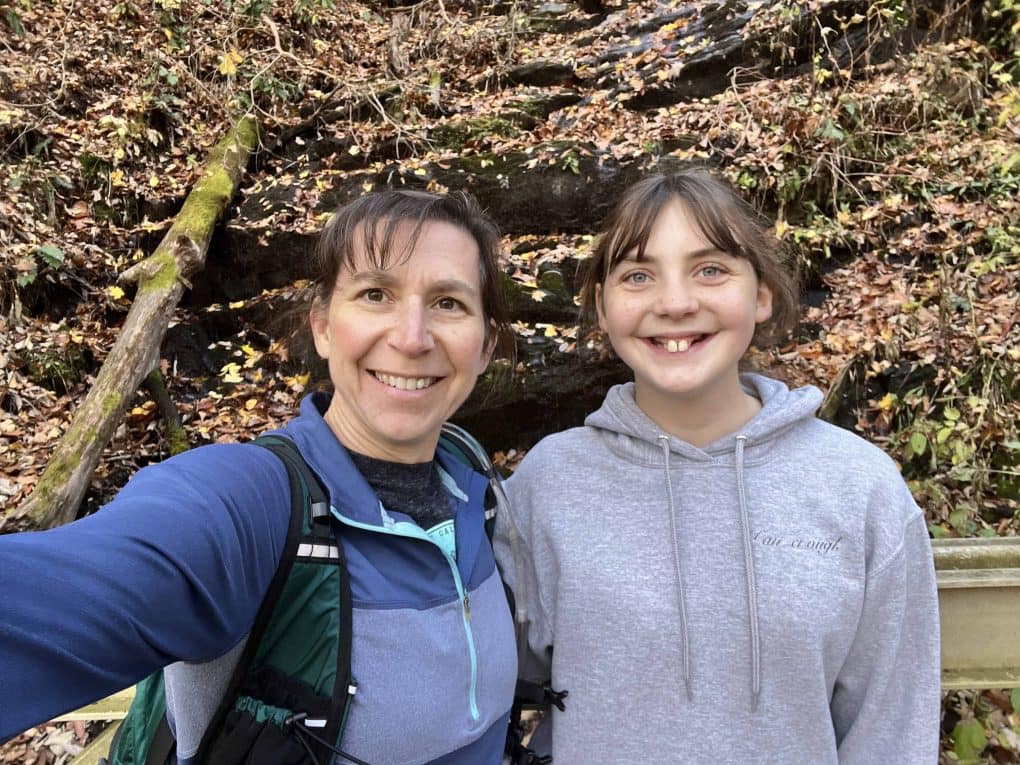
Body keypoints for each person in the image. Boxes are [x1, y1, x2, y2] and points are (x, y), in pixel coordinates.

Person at [0, 189, 518, 764]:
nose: (411, 337)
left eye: (448, 303)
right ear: (323, 326)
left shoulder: (475, 483)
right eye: (375, 294)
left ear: (486, 344)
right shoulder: (248, 504)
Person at [494, 170, 941, 763]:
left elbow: (890, 729)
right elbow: (474, 680)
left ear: (761, 294)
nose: (676, 303)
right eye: (638, 276)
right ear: (602, 306)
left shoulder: (859, 488)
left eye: (710, 269)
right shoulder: (546, 486)